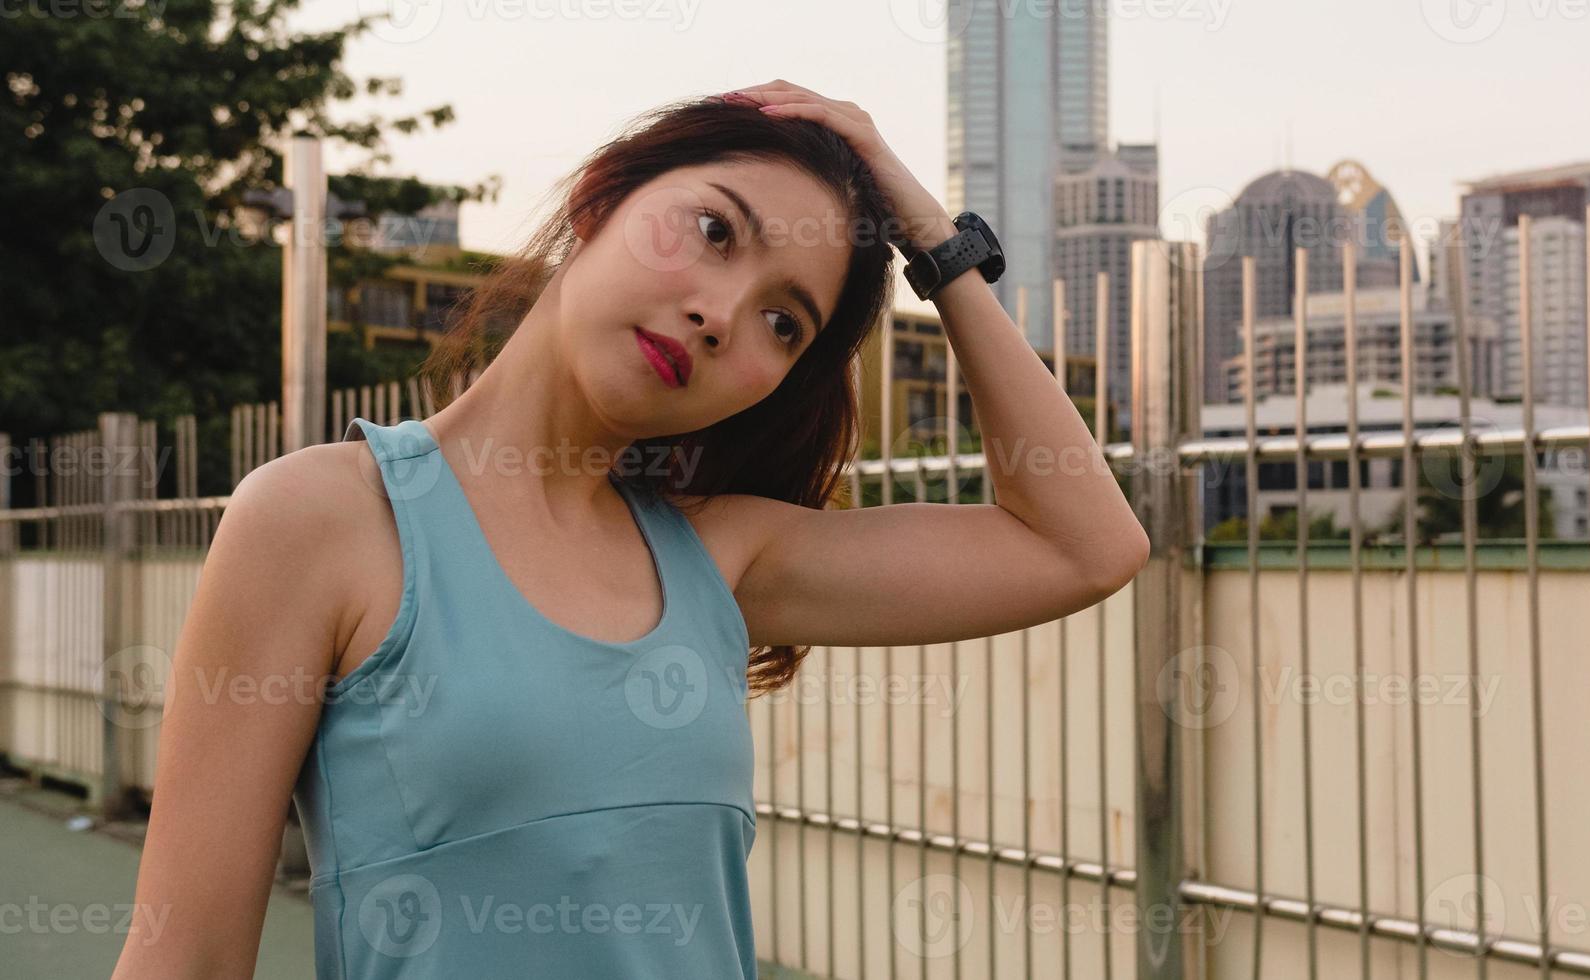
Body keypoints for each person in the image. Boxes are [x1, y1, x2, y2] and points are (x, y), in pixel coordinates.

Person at [111, 80, 1149, 978]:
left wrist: (934, 236)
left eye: (782, 321)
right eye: (712, 230)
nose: (720, 314)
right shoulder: (322, 518)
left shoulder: (720, 554)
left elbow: (1084, 544)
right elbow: (185, 955)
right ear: (599, 198)